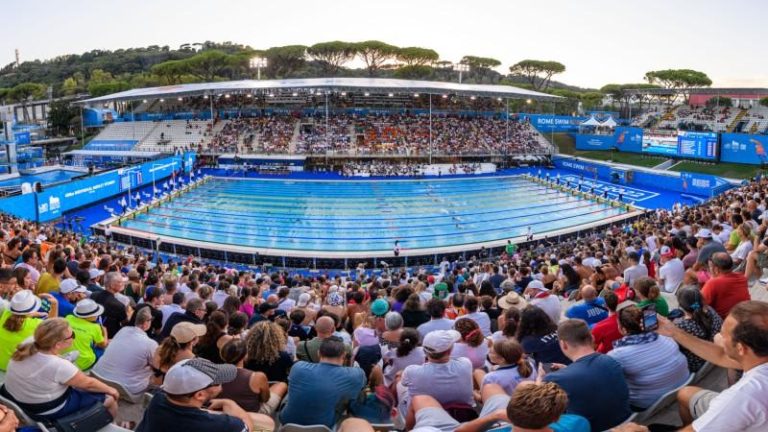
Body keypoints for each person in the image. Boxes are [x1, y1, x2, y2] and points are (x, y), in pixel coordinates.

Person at [658, 300, 768, 432]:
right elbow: (721, 356)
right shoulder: (758, 355)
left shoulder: (740, 397)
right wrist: (674, 332)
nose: (719, 337)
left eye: (723, 335)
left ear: (741, 348)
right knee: (685, 393)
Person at [0, 318, 119, 421]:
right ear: (57, 344)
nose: (73, 337)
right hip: (41, 410)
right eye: (72, 335)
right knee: (110, 399)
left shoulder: (29, 342)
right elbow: (88, 384)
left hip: (13, 397)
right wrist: (112, 390)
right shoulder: (58, 365)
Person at [136, 357, 274, 432]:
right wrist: (229, 403)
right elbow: (246, 427)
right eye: (217, 382)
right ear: (200, 395)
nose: (221, 384)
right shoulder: (224, 425)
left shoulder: (157, 400)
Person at [544, 319, 631, 431]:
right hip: (626, 423)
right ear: (592, 338)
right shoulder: (611, 359)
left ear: (563, 344)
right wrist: (568, 370)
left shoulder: (555, 379)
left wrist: (539, 382)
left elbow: (540, 413)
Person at [608, 305, 690, 410]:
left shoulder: (616, 355)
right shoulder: (666, 336)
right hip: (683, 385)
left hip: (649, 404)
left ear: (623, 329)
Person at [279, 337, 366, 429]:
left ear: (318, 353)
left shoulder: (297, 367)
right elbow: (362, 385)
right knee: (350, 394)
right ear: (343, 355)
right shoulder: (355, 374)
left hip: (287, 421)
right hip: (323, 425)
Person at [91, 307, 158, 396]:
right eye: (150, 320)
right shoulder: (151, 344)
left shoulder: (123, 330)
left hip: (98, 375)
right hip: (125, 387)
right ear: (146, 323)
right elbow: (157, 365)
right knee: (155, 371)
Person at [400, 329, 474, 408]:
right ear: (449, 351)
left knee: (399, 383)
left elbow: (403, 383)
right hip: (463, 414)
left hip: (424, 416)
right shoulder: (466, 363)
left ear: (424, 351)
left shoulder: (411, 371)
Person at [219, 339, 287, 417]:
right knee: (282, 385)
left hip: (222, 410)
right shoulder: (257, 376)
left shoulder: (212, 372)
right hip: (251, 415)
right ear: (245, 355)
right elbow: (265, 399)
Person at [0, 290, 56, 371]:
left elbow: (20, 313)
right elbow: (53, 324)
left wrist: (36, 314)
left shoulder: (6, 313)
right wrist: (55, 305)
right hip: (13, 367)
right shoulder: (36, 324)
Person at [672, 287, 723, 372]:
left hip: (697, 364)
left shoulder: (679, 326)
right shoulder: (710, 311)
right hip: (716, 355)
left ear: (681, 306)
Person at [701, 252, 751, 319]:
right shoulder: (741, 277)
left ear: (716, 269)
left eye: (710, 266)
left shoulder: (713, 283)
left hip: (726, 321)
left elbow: (699, 303)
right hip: (746, 314)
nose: (709, 269)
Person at [63, 298, 108, 370]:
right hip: (83, 361)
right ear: (89, 316)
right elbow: (103, 345)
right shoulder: (95, 327)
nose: (97, 316)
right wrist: (105, 332)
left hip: (63, 355)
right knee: (102, 350)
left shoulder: (68, 318)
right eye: (96, 314)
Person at [91, 271, 130, 338]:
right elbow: (125, 323)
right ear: (112, 285)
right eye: (120, 282)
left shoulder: (94, 295)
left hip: (94, 333)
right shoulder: (118, 305)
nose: (122, 284)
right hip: (110, 337)